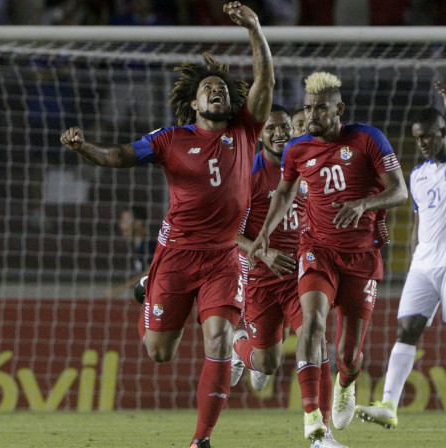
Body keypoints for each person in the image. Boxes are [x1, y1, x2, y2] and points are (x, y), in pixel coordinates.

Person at [60, 3, 273, 447]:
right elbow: (119, 156)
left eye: (221, 89)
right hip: (175, 254)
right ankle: (147, 287)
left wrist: (254, 29)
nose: (216, 93)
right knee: (160, 353)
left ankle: (201, 440)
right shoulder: (171, 139)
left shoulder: (246, 129)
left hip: (222, 257)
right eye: (208, 90)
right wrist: (86, 149)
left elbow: (264, 81)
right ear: (193, 103)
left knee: (217, 341)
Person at [249, 72, 408, 444]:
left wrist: (365, 204)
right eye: (308, 107)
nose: (312, 114)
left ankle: (345, 383)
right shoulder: (297, 149)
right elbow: (284, 193)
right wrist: (264, 234)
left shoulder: (369, 138)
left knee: (348, 354)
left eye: (320, 107)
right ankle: (312, 422)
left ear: (339, 109)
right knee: (313, 325)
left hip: (362, 258)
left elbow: (400, 191)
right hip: (317, 250)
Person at [353, 82, 446, 431]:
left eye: (428, 136)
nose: (422, 143)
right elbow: (419, 220)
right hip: (424, 265)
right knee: (406, 329)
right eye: (417, 138)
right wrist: (415, 251)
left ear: (442, 132)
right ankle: (388, 405)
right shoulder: (417, 175)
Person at [231, 104, 346, 448]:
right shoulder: (248, 175)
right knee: (267, 364)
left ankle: (320, 434)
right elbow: (228, 231)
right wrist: (262, 251)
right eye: (271, 129)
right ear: (260, 136)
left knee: (315, 335)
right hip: (261, 280)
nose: (280, 133)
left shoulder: (305, 165)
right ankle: (239, 347)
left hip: (302, 272)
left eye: (284, 127)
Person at [105, 206, 157, 300]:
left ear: (138, 223)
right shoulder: (140, 246)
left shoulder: (150, 246)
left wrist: (118, 290)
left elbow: (149, 273)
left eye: (125, 220)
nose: (121, 224)